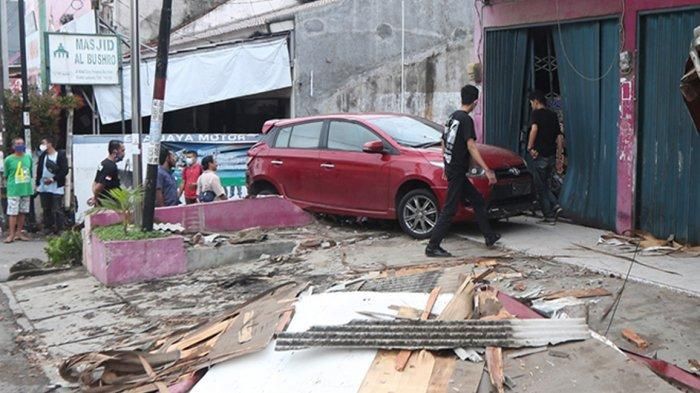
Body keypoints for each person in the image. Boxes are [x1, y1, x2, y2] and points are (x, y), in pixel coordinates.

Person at [425, 85, 500, 258]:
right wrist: (487, 169)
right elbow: (471, 145)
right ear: (475, 102)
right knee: (449, 209)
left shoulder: (452, 117)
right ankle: (432, 246)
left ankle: (489, 236)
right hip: (457, 171)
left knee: (477, 200)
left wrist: (446, 164)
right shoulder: (466, 120)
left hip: (454, 168)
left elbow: (443, 142)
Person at [526, 90, 564, 224]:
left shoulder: (536, 114)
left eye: (531, 102)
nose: (531, 105)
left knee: (540, 186)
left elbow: (534, 129)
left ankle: (550, 211)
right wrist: (559, 155)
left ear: (536, 101)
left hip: (540, 155)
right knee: (546, 183)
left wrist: (530, 147)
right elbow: (559, 136)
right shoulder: (553, 115)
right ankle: (553, 208)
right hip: (551, 155)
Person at [35, 137, 68, 234]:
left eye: (44, 143)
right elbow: (39, 170)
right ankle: (47, 227)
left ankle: (60, 228)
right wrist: (38, 183)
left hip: (56, 186)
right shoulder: (42, 156)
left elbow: (64, 170)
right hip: (44, 186)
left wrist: (54, 179)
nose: (42, 145)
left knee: (57, 208)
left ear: (50, 144)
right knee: (46, 208)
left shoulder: (60, 155)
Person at [4, 138, 33, 243]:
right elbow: (6, 175)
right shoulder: (8, 159)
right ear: (13, 146)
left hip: (25, 189)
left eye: (21, 143)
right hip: (14, 190)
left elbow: (30, 172)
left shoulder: (28, 158)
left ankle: (19, 233)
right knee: (12, 213)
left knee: (23, 212)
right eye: (17, 144)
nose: (20, 145)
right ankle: (11, 234)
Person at [89, 140, 125, 206]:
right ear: (115, 152)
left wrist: (95, 196)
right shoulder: (111, 167)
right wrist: (96, 197)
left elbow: (95, 182)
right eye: (122, 151)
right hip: (108, 205)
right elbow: (99, 186)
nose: (123, 154)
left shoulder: (103, 163)